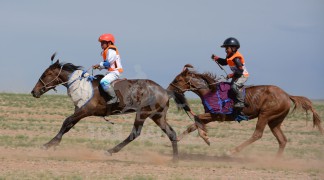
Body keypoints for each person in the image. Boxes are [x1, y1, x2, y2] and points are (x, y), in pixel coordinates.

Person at [211, 37, 249, 109]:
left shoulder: (236, 58)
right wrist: (217, 58)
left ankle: (241, 102)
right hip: (237, 75)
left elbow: (240, 71)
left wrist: (231, 75)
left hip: (243, 75)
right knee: (229, 88)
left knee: (234, 86)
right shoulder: (229, 56)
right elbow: (225, 62)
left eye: (227, 48)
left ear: (233, 48)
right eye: (225, 48)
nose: (225, 50)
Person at [93, 33, 123, 104]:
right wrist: (99, 66)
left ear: (109, 43)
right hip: (111, 72)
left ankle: (114, 98)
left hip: (115, 72)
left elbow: (108, 63)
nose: (101, 44)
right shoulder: (107, 50)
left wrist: (99, 65)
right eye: (101, 43)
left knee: (104, 82)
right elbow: (107, 65)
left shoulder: (111, 50)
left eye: (103, 42)